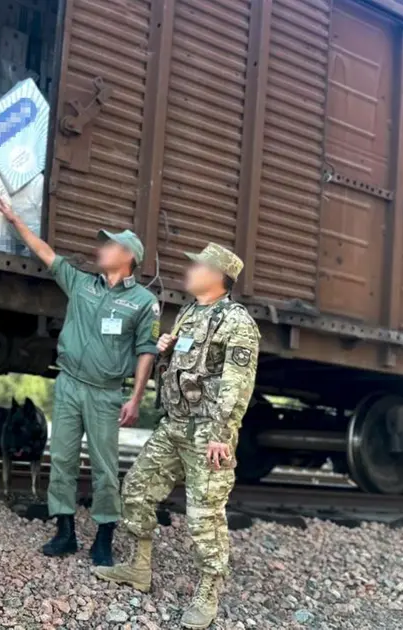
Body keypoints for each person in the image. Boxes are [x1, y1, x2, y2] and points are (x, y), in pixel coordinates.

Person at [93, 242, 260, 630]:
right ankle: (140, 567)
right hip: (175, 425)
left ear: (217, 276)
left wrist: (222, 433)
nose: (189, 272)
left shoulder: (236, 321)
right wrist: (166, 349)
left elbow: (238, 384)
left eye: (197, 267)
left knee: (204, 516)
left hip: (208, 431)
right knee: (135, 489)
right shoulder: (188, 313)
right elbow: (183, 370)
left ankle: (209, 591)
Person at [0, 197, 160, 567]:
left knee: (104, 466)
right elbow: (45, 253)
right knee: (63, 459)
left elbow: (147, 350)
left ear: (128, 255)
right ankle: (64, 532)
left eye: (110, 245)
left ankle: (103, 538)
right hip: (69, 384)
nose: (102, 249)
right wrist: (14, 218)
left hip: (105, 393)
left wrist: (134, 399)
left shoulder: (144, 302)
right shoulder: (82, 284)